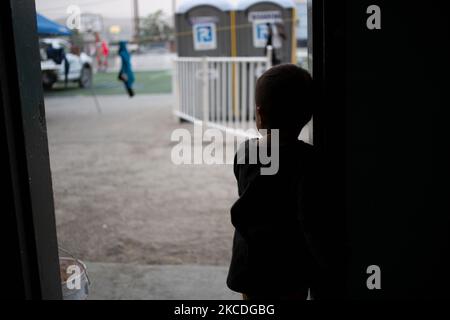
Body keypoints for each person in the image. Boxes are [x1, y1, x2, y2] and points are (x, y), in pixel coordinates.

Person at [227, 64, 319, 300]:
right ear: (308, 115)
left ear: (260, 114)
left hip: (249, 262)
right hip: (291, 265)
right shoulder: (309, 160)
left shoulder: (245, 152)